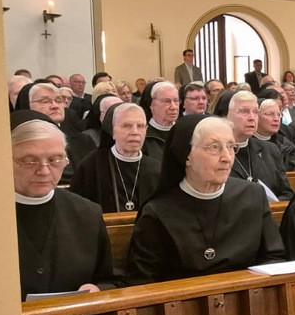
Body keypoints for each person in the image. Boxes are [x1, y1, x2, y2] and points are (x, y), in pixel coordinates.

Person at [125, 115, 285, 284]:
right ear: (187, 155)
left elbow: (274, 258)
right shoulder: (157, 212)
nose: (227, 157)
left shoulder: (252, 196)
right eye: (214, 147)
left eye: (231, 146)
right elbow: (142, 282)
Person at [11, 111, 117, 300]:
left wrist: (97, 289)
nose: (44, 171)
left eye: (55, 160)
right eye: (29, 161)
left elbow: (110, 280)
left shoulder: (87, 213)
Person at [71, 103, 162, 213]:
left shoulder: (156, 169)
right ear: (112, 131)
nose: (135, 132)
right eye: (127, 126)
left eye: (140, 126)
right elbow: (77, 209)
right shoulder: (91, 166)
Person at [217, 90, 293, 201]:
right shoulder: (216, 152)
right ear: (226, 116)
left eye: (255, 112)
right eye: (244, 111)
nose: (252, 117)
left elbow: (287, 193)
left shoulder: (270, 149)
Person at [254, 98, 295, 172]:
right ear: (256, 116)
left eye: (278, 114)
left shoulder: (286, 146)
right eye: (270, 114)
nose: (276, 119)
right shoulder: (245, 143)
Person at [140, 81, 181, 159]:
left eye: (176, 101)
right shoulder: (142, 135)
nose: (174, 107)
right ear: (151, 104)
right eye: (167, 101)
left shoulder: (184, 132)